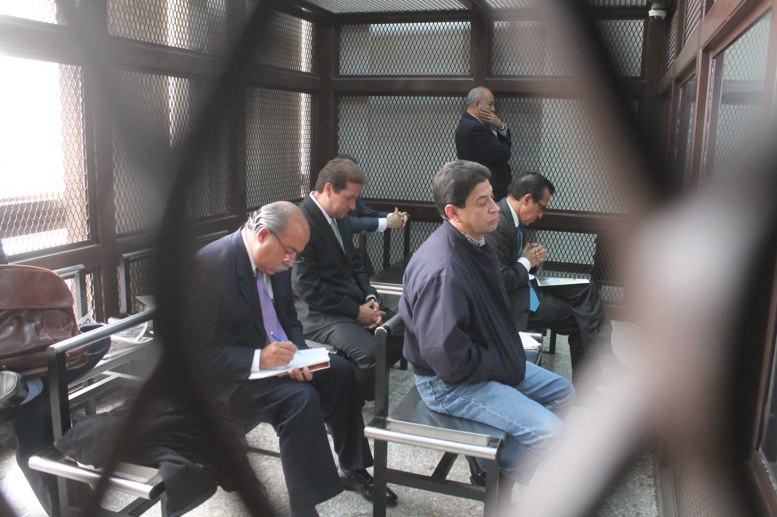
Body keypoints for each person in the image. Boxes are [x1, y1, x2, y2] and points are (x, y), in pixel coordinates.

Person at [189, 201, 397, 516]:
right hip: (233, 377)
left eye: (296, 255)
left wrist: (299, 354)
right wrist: (260, 358)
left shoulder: (277, 262)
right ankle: (304, 507)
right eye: (289, 253)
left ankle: (353, 467)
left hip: (279, 360)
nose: (291, 263)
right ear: (263, 234)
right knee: (300, 400)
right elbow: (195, 355)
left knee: (341, 372)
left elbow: (289, 317)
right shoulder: (208, 266)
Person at [399, 160, 575, 486]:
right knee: (555, 435)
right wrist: (502, 365)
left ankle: (496, 466)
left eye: (492, 196)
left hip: (485, 358)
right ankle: (498, 478)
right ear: (453, 212)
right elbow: (448, 360)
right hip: (447, 383)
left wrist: (505, 357)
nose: (495, 207)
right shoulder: (444, 270)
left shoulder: (475, 242)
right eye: (483, 202)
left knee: (563, 392)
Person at [483, 172, 616, 383]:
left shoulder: (513, 220)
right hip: (513, 301)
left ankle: (605, 359)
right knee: (579, 318)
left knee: (587, 290)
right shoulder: (498, 224)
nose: (541, 215)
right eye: (542, 208)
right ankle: (594, 376)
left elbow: (515, 265)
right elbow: (501, 280)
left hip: (525, 287)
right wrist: (526, 261)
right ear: (527, 199)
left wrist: (531, 260)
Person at [292, 158, 404, 402]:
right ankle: (349, 402)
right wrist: (356, 312)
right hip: (318, 312)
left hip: (350, 301)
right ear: (329, 189)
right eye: (349, 198)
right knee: (371, 353)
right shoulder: (302, 221)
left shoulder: (338, 215)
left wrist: (370, 297)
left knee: (401, 330)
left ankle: (363, 393)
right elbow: (307, 288)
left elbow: (355, 263)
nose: (353, 207)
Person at [455, 86, 512, 201]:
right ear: (477, 104)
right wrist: (500, 125)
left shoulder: (472, 124)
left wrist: (501, 128)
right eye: (490, 104)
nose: (493, 109)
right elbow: (503, 154)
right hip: (488, 188)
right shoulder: (474, 128)